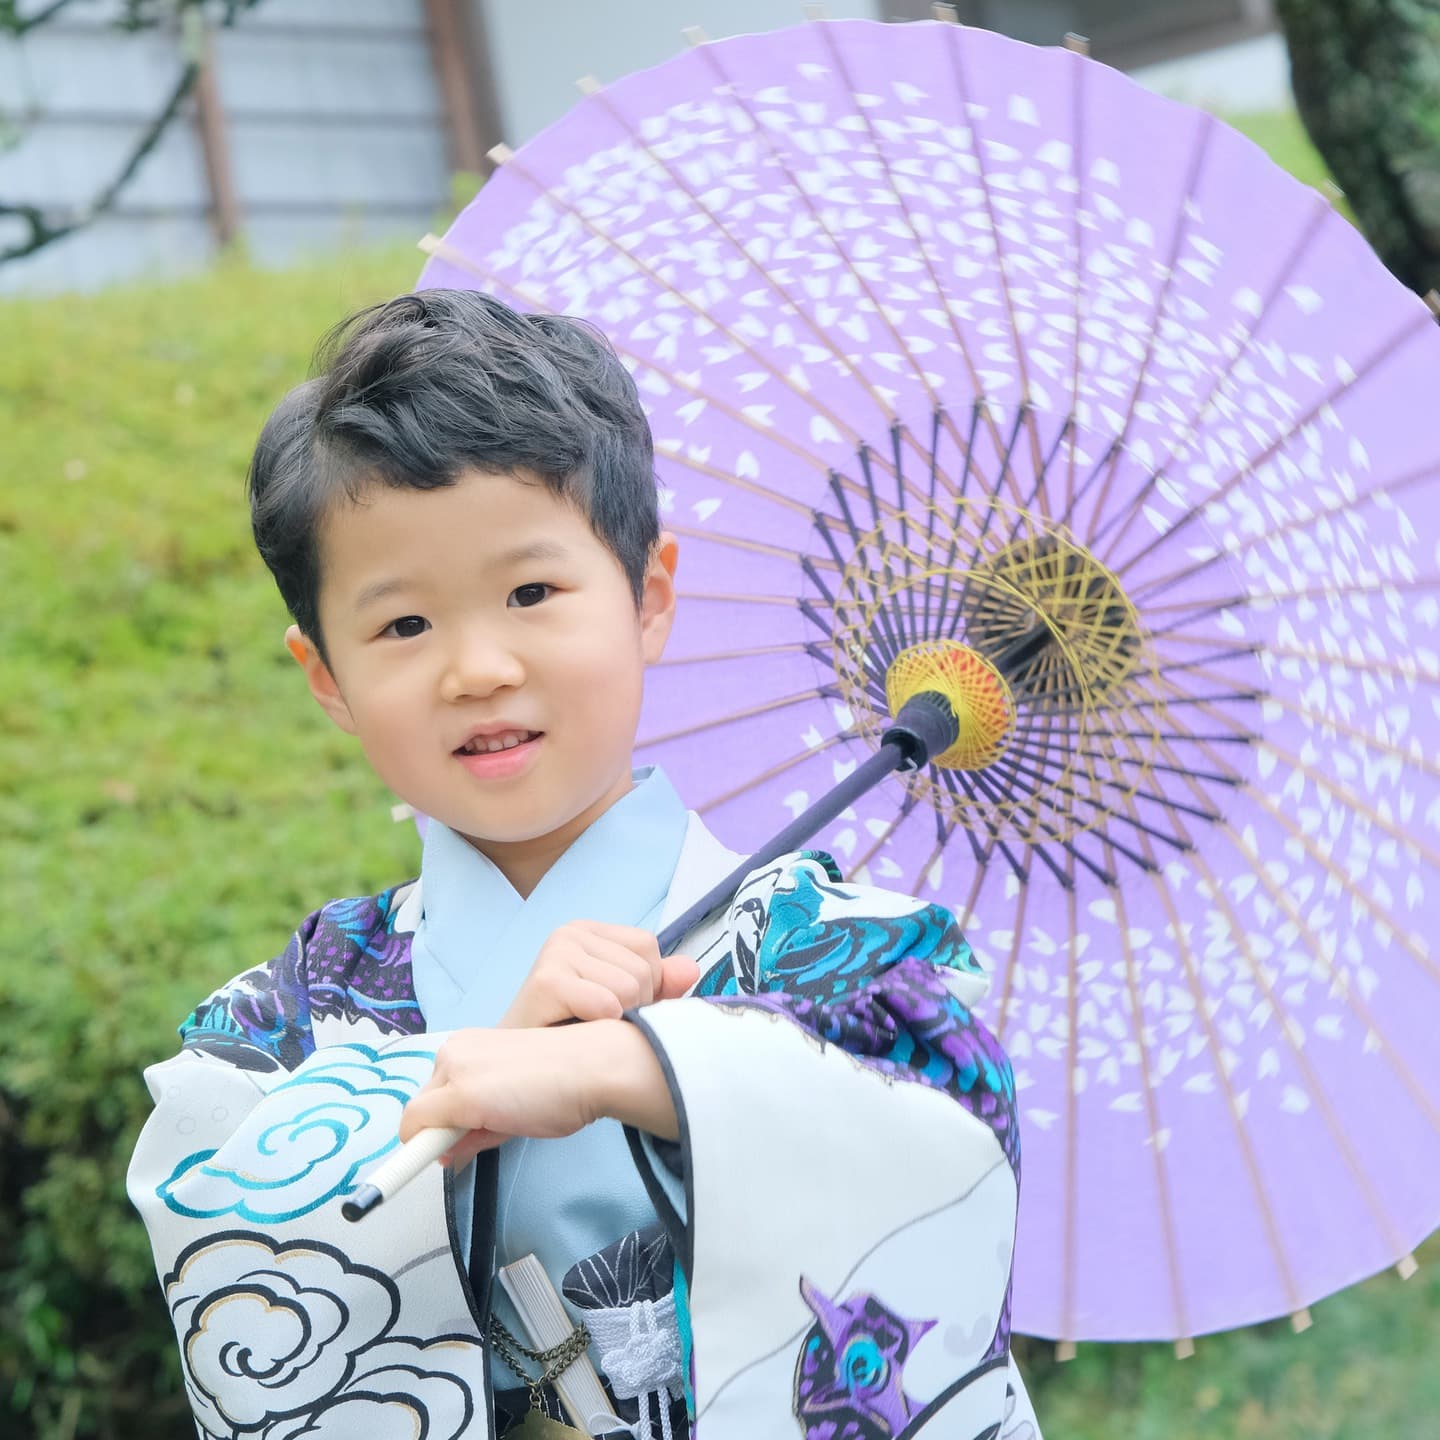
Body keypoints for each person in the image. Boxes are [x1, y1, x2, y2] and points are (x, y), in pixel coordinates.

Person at [127, 290, 1041, 1440]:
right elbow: (215, 1219)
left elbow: (954, 1123)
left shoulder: (824, 949)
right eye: (403, 626)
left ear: (649, 597)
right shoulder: (301, 1008)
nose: (478, 668)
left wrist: (638, 1066)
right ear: (326, 677)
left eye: (532, 593)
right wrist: (467, 1070)